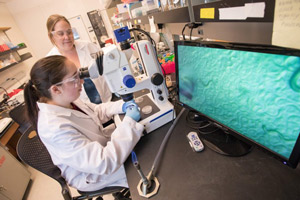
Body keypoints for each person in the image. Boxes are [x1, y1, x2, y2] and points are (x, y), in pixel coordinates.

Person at [23, 55, 144, 193]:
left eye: (78, 74)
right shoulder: (53, 128)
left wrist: (122, 106)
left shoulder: (67, 100)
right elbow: (103, 163)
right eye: (74, 78)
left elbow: (96, 111)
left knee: (143, 143)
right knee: (146, 164)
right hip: (92, 174)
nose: (81, 81)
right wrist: (129, 123)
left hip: (100, 149)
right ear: (56, 89)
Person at [46, 14, 111, 103]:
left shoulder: (88, 46)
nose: (67, 37)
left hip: (108, 99)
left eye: (69, 32)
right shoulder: (50, 62)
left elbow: (108, 65)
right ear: (51, 36)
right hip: (84, 110)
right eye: (60, 34)